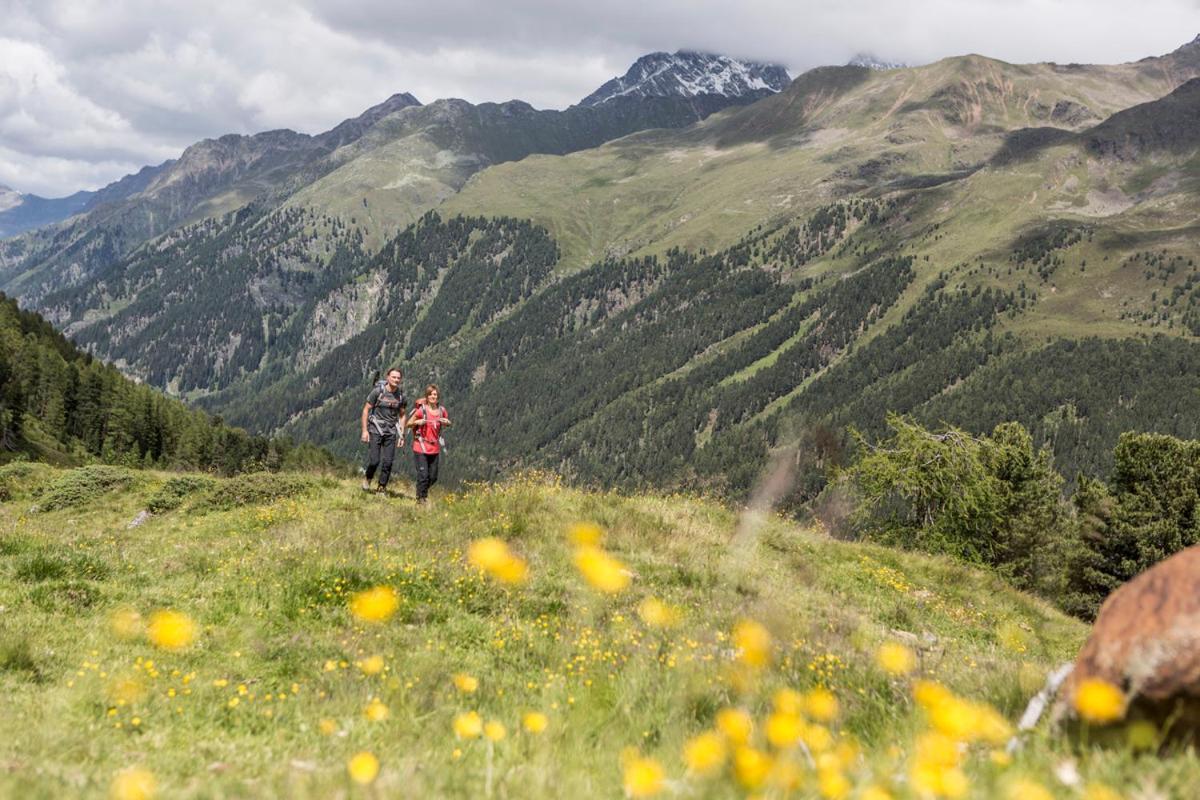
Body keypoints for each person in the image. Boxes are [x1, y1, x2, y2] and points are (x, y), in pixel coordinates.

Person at [360, 368, 407, 493]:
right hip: (375, 429)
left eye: (398, 378)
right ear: (388, 377)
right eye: (393, 377)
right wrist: (365, 431)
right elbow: (366, 410)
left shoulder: (401, 396)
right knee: (375, 460)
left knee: (388, 462)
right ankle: (368, 478)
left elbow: (402, 415)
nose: (396, 380)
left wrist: (402, 436)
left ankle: (381, 487)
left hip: (391, 431)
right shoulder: (378, 392)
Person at [406, 384, 450, 503]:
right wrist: (417, 422)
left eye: (435, 394)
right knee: (423, 475)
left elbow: (446, 422)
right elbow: (408, 424)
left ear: (438, 396)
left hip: (434, 448)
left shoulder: (442, 411)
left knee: (433, 477)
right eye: (430, 394)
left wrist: (447, 422)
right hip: (421, 447)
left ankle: (420, 491)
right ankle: (421, 499)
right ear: (427, 396)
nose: (433, 396)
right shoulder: (421, 410)